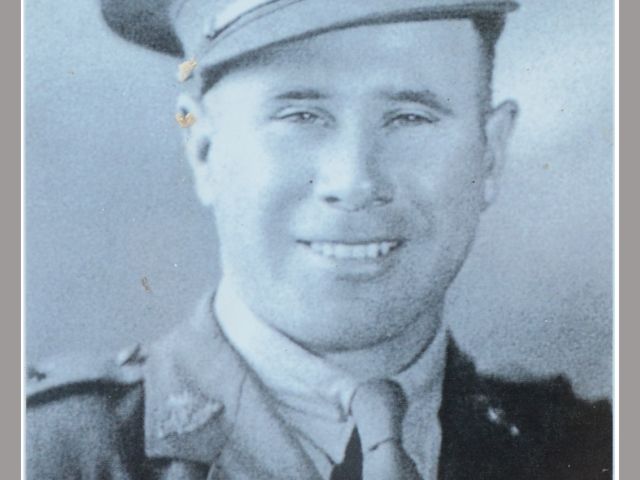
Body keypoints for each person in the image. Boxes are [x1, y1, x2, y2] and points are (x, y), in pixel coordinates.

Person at [26, 1, 612, 479]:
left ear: (491, 154)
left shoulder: (592, 451)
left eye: (410, 117)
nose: (355, 182)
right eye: (301, 115)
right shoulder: (50, 455)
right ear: (204, 152)